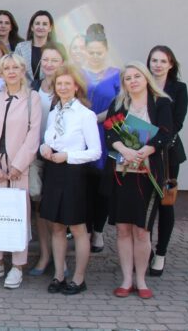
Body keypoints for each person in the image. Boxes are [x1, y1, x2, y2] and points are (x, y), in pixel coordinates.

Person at [104, 62, 173, 300]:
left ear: (146, 78)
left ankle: (141, 280)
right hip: (122, 174)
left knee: (142, 231)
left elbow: (166, 133)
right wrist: (125, 149)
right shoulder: (119, 104)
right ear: (123, 83)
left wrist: (144, 151)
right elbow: (109, 132)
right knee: (123, 229)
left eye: (137, 76)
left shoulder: (161, 103)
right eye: (128, 78)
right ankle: (126, 280)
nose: (133, 81)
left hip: (148, 176)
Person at [0, 53, 41, 289]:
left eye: (16, 67)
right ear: (1, 72)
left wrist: (18, 165)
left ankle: (17, 265)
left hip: (19, 168)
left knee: (18, 215)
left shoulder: (32, 98)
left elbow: (33, 135)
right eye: (7, 68)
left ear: (23, 70)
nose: (11, 72)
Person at [39, 65, 101, 295]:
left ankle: (78, 278)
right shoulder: (54, 112)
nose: (63, 87)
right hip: (54, 171)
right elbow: (49, 139)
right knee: (56, 226)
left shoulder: (86, 115)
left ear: (76, 87)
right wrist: (44, 147)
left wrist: (68, 156)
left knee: (77, 227)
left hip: (74, 173)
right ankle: (58, 275)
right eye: (59, 84)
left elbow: (95, 151)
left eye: (67, 83)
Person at [27, 42, 68, 276]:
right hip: (35, 154)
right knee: (39, 208)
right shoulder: (33, 86)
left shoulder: (68, 87)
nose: (49, 64)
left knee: (56, 209)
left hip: (58, 156)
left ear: (62, 63)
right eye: (46, 60)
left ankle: (60, 258)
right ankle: (44, 256)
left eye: (54, 60)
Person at [146, 45, 187, 277]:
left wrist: (158, 142)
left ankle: (161, 253)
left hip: (168, 153)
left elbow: (178, 121)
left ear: (171, 64)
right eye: (154, 60)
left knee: (165, 202)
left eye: (163, 61)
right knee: (145, 203)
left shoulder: (179, 88)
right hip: (143, 152)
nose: (158, 65)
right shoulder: (142, 83)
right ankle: (146, 251)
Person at [82, 25, 120, 253]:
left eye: (99, 52)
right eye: (91, 52)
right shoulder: (78, 72)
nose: (95, 56)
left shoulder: (116, 74)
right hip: (82, 136)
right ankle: (85, 229)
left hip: (106, 135)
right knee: (84, 186)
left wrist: (96, 118)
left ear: (106, 51)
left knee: (103, 187)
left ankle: (98, 230)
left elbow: (121, 105)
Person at [14, 10, 57, 81]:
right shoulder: (20, 48)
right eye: (37, 23)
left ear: (50, 28)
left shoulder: (57, 49)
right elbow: (15, 69)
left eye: (44, 24)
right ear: (32, 27)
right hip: (25, 87)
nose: (40, 27)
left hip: (50, 86)